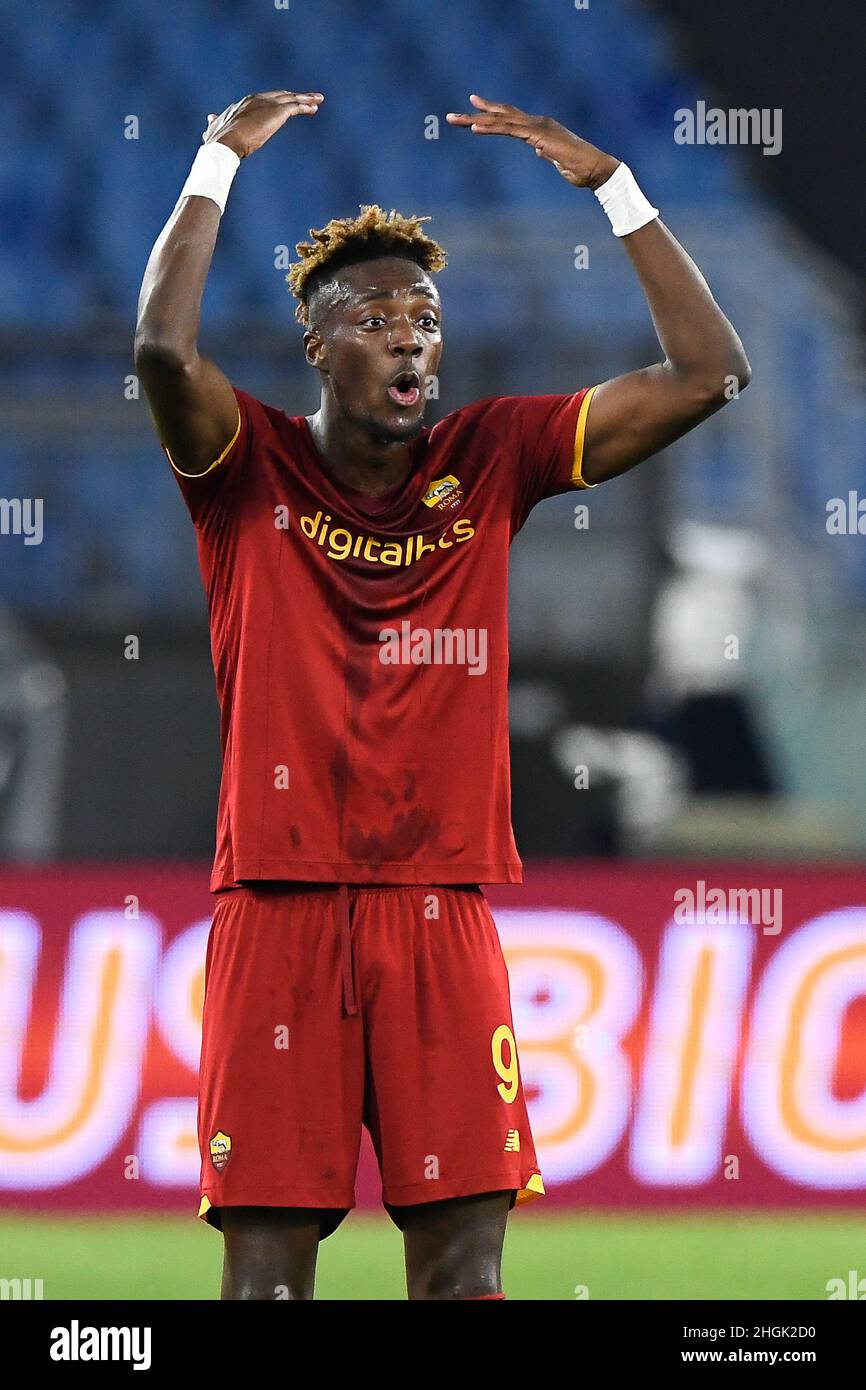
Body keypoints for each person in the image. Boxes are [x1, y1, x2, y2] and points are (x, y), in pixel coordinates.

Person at [134, 89, 750, 1300]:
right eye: (375, 319)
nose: (411, 338)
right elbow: (161, 351)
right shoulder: (241, 465)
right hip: (279, 907)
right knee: (264, 1283)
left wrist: (611, 187)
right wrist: (211, 160)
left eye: (425, 317)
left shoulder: (493, 457)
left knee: (463, 1277)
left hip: (439, 908)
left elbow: (707, 375)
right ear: (318, 347)